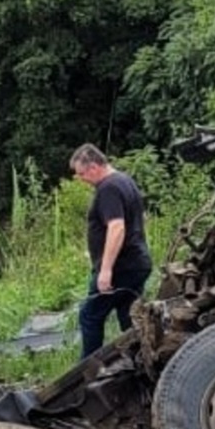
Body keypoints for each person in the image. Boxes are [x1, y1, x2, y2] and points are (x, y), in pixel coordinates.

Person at [69, 143, 152, 358]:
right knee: (129, 321)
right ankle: (138, 367)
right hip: (136, 263)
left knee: (90, 315)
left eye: (81, 174)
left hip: (120, 269)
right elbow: (137, 221)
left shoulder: (108, 188)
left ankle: (88, 372)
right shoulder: (125, 181)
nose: (80, 179)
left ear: (94, 167)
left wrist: (105, 270)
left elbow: (117, 228)